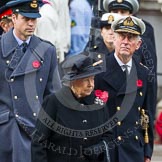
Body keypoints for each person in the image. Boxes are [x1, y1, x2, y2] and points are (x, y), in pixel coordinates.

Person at [0, 0, 61, 162]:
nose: (31, 23)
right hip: (7, 129)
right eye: (26, 19)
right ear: (13, 18)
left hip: (36, 128)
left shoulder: (47, 50)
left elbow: (53, 95)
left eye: (34, 19)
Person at [31, 52, 112, 162]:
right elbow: (39, 142)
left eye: (92, 79)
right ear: (72, 82)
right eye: (85, 80)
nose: (91, 84)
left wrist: (96, 149)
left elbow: (108, 136)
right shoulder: (54, 102)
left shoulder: (98, 104)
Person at [95, 15, 154, 162]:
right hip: (106, 149)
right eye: (122, 36)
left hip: (133, 149)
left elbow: (147, 115)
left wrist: (147, 151)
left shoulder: (144, 73)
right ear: (114, 39)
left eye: (131, 38)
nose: (126, 42)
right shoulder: (98, 71)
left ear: (138, 44)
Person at [103, 0, 157, 119]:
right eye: (115, 11)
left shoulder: (144, 41)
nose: (119, 15)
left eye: (123, 12)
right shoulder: (101, 38)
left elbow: (150, 79)